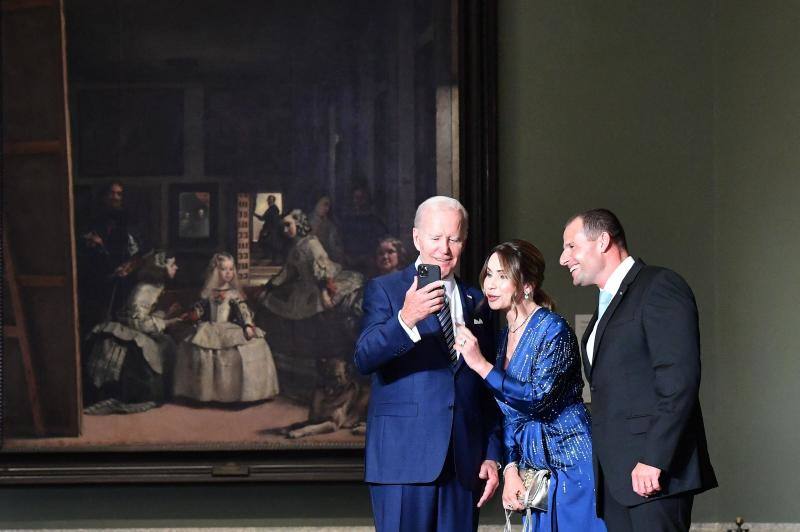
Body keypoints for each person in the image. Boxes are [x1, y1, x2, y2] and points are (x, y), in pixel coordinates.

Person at [559, 209, 717, 532]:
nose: (564, 258)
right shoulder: (605, 305)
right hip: (618, 482)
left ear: (602, 240)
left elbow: (679, 380)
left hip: (654, 475)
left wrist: (654, 458)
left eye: (571, 246)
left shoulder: (659, 286)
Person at [354, 196, 502, 532]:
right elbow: (363, 357)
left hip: (464, 467)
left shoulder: (478, 301)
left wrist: (492, 454)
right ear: (417, 238)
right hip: (402, 463)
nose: (445, 249)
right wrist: (406, 318)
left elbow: (488, 389)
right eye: (436, 238)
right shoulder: (386, 290)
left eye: (454, 239)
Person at [455, 240, 606, 532]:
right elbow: (509, 413)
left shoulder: (554, 330)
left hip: (572, 463)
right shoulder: (502, 338)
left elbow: (537, 399)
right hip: (534, 468)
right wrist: (510, 467)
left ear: (526, 285)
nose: (491, 284)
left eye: (502, 276)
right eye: (489, 274)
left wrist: (481, 365)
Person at [83, 250, 181, 414]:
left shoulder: (155, 285)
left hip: (139, 326)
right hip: (131, 332)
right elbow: (136, 321)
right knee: (164, 345)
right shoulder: (146, 289)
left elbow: (144, 314)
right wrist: (167, 322)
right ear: (161, 268)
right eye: (172, 264)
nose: (177, 267)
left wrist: (166, 314)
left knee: (167, 343)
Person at [173, 252, 279, 403]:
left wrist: (248, 326)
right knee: (197, 347)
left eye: (231, 269)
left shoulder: (234, 294)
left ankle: (234, 394)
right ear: (216, 271)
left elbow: (243, 311)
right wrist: (193, 314)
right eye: (224, 269)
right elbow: (200, 309)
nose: (228, 273)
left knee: (252, 346)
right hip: (210, 328)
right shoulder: (209, 293)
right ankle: (207, 393)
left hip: (229, 328)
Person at [259, 209, 363, 320]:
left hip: (324, 284)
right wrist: (269, 287)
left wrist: (324, 294)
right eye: (283, 227)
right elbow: (287, 272)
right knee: (273, 300)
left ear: (299, 223)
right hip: (305, 287)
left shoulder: (311, 243)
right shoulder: (294, 248)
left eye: (288, 225)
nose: (285, 230)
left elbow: (322, 270)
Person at [310, 194, 344, 262]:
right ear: (316, 203)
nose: (327, 209)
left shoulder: (330, 226)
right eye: (325, 204)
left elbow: (335, 250)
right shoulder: (306, 222)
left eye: (329, 206)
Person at [254, 194, 284, 262]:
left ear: (273, 201)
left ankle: (272, 259)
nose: (268, 201)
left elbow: (267, 219)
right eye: (268, 200)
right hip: (270, 229)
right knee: (266, 242)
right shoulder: (271, 208)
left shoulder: (273, 209)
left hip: (271, 229)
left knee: (270, 243)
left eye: (270, 200)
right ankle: (268, 256)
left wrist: (267, 230)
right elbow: (263, 218)